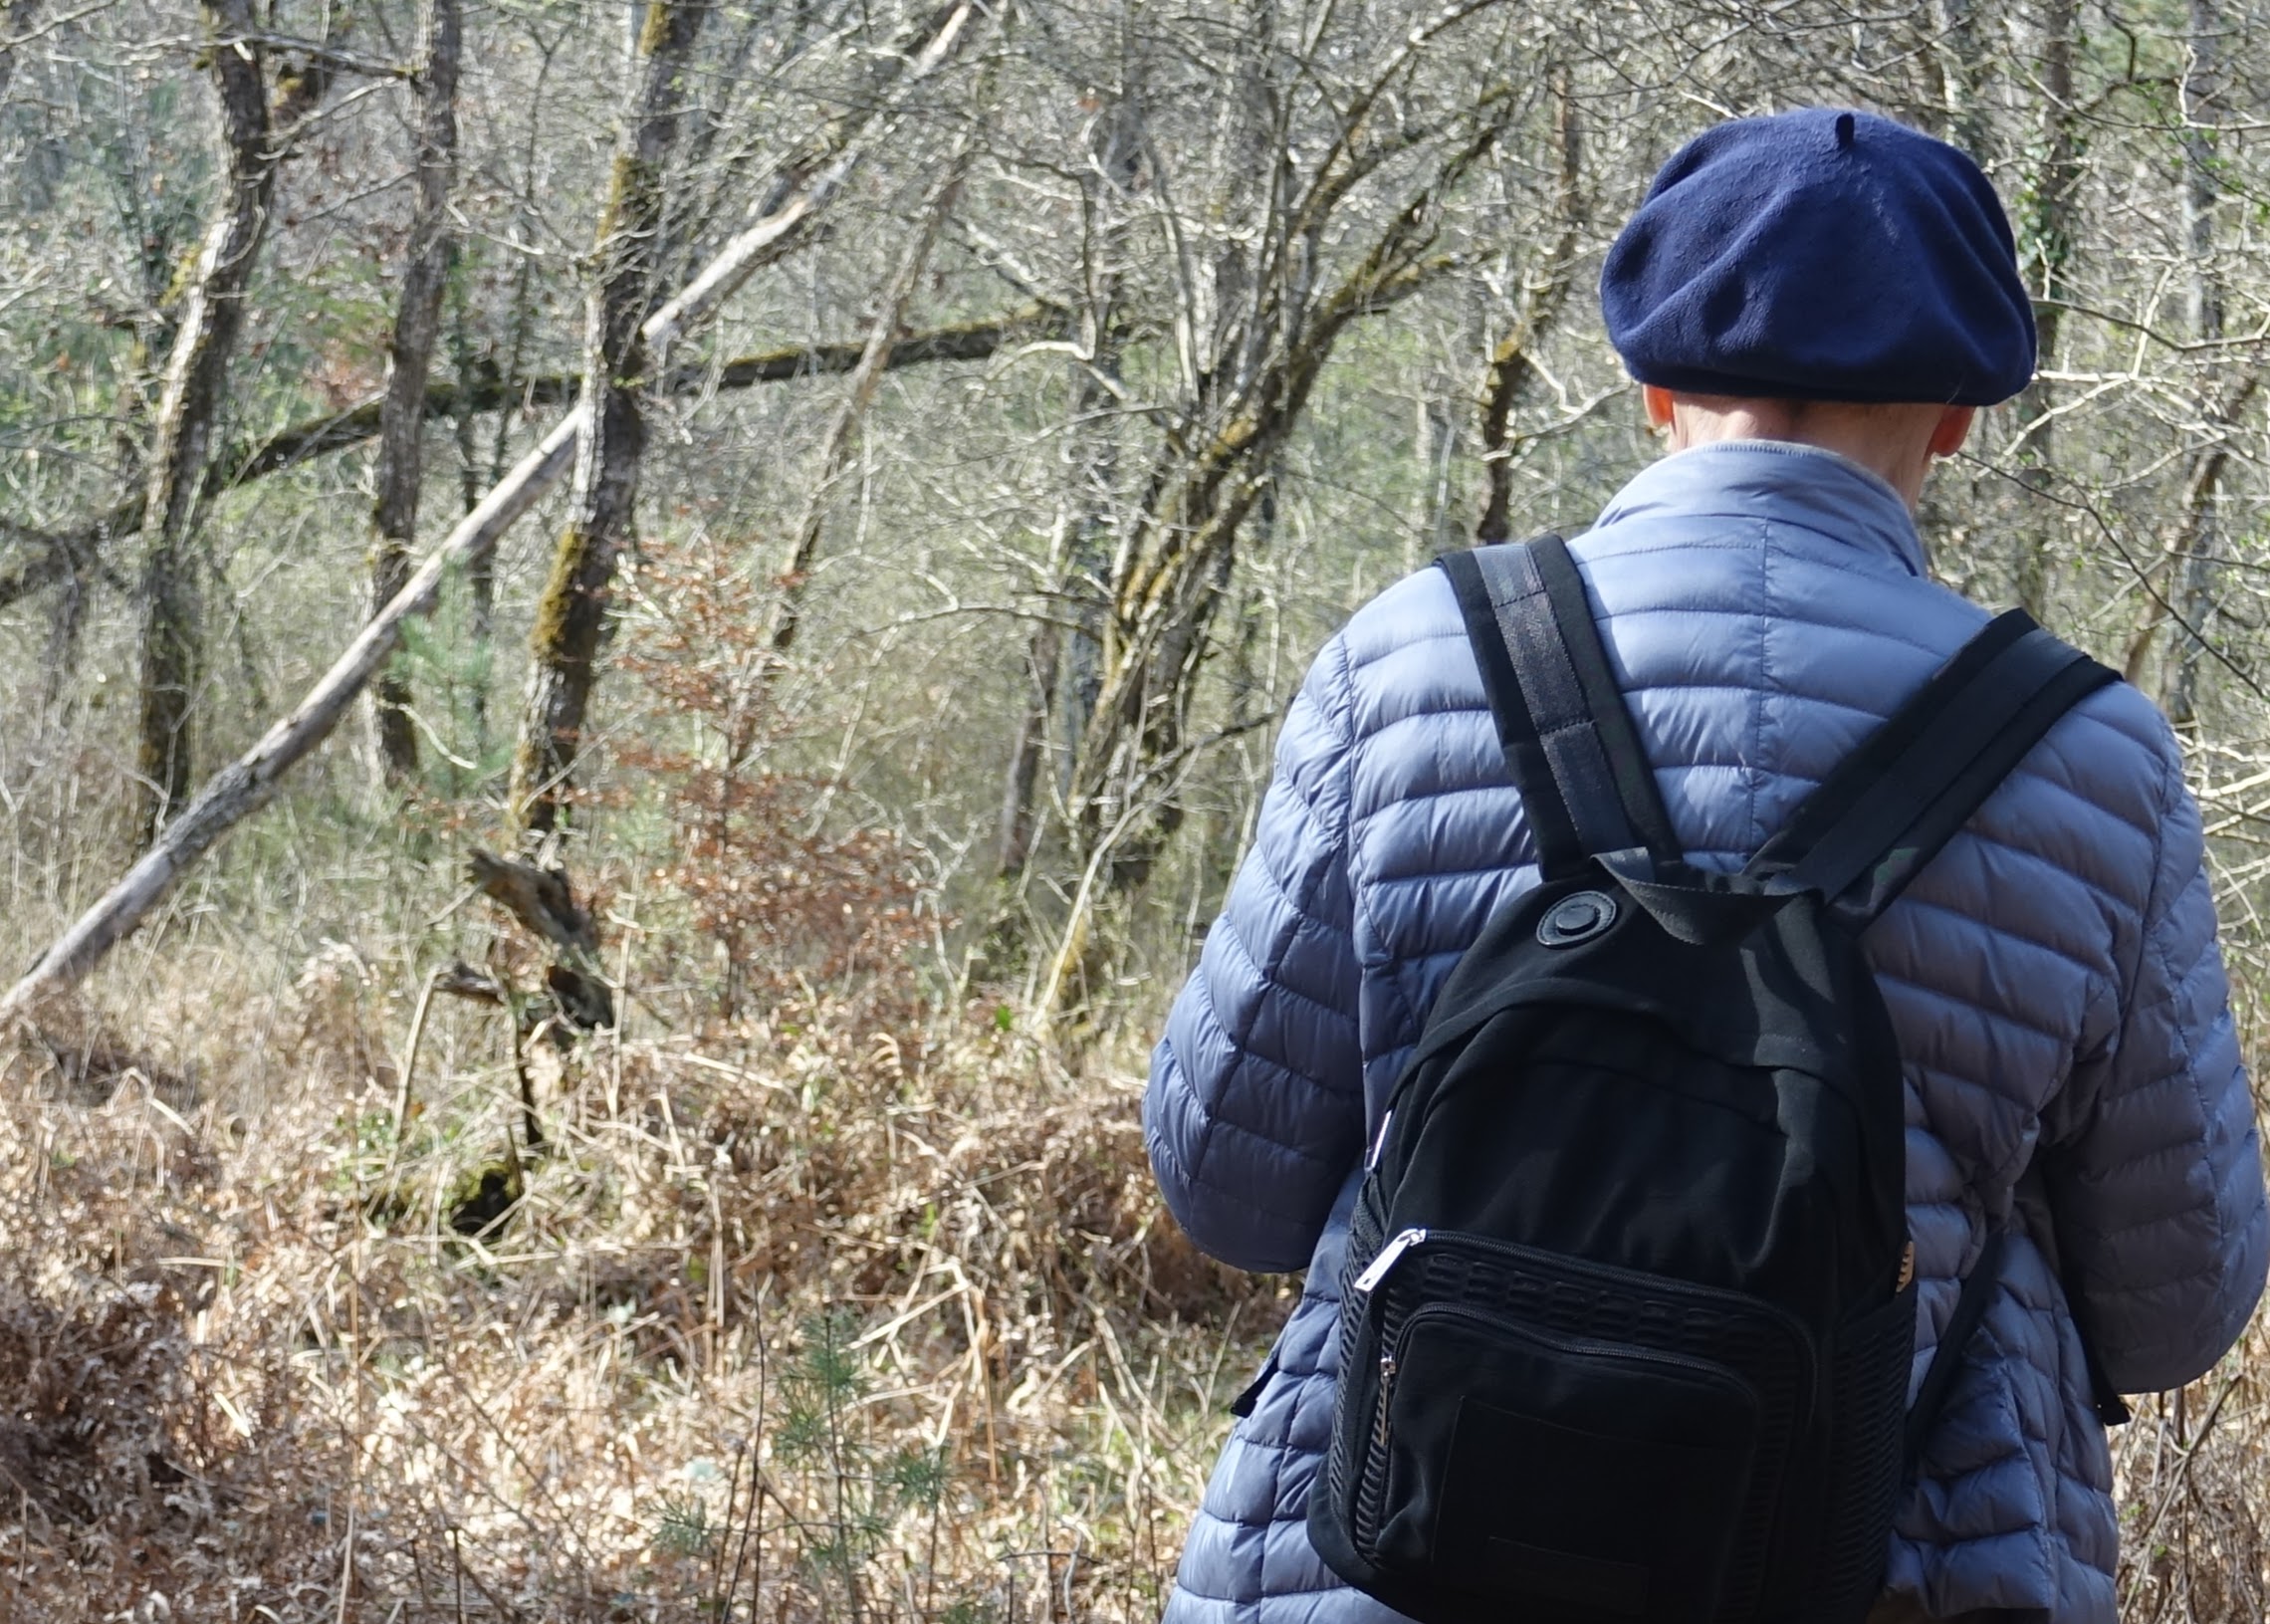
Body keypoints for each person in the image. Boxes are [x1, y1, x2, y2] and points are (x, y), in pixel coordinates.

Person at [1144, 108, 2268, 1624]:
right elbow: (2173, 1305)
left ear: (1653, 385)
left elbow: (1228, 1182)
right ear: (1955, 417)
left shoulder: (1408, 664)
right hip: (1899, 1573)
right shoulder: (2092, 760)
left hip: (1387, 1564)